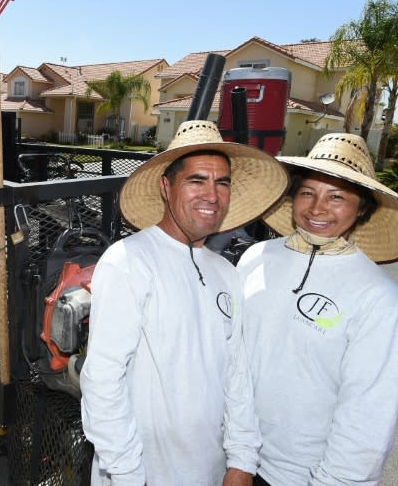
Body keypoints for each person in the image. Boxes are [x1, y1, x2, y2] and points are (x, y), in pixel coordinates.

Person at [80, 120, 289, 486]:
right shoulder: (129, 261)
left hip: (211, 472)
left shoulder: (226, 272)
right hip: (141, 475)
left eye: (222, 182)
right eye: (197, 180)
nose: (212, 194)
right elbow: (102, 380)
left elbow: (236, 374)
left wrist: (241, 460)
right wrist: (129, 475)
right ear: (166, 186)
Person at [224, 133, 398, 485]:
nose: (318, 208)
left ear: (362, 207)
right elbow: (230, 357)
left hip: (303, 474)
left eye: (337, 197)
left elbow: (368, 412)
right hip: (229, 455)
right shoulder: (255, 259)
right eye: (308, 193)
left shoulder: (379, 296)